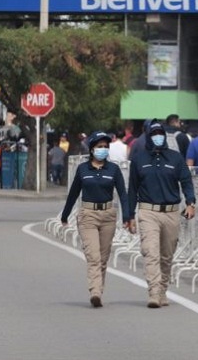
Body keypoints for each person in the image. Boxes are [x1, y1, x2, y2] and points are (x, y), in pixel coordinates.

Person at [127, 120, 196, 308]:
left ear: (164, 136)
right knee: (151, 253)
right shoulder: (139, 159)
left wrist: (190, 203)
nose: (157, 136)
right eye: (154, 133)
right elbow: (132, 189)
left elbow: (186, 182)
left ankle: (163, 288)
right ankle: (154, 292)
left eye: (160, 133)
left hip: (171, 213)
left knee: (166, 255)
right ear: (148, 136)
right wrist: (129, 216)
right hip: (148, 211)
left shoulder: (175, 158)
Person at [60, 131, 130, 307]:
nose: (103, 150)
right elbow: (74, 192)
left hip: (107, 215)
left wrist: (127, 216)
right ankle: (95, 291)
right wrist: (65, 214)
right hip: (88, 215)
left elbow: (122, 193)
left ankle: (99, 288)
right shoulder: (83, 169)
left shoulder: (113, 169)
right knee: (93, 256)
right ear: (91, 149)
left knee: (103, 258)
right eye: (99, 147)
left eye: (106, 147)